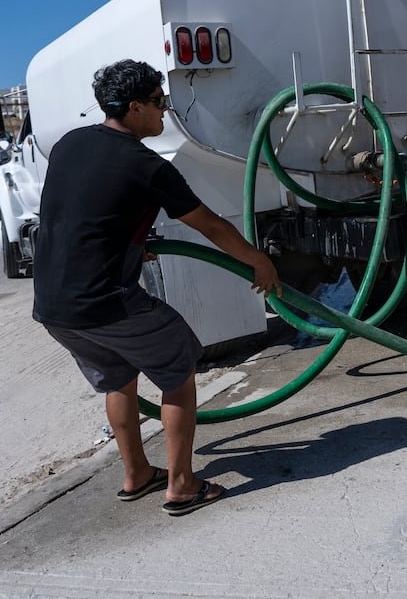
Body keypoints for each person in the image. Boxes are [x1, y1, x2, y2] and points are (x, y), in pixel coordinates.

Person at [33, 59, 282, 517]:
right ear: (134, 107)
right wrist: (259, 261)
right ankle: (182, 485)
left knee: (120, 379)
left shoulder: (70, 144)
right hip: (107, 302)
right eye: (158, 102)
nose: (165, 111)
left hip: (54, 307)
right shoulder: (146, 165)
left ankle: (137, 475)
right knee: (178, 367)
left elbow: (82, 214)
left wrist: (130, 247)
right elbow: (210, 226)